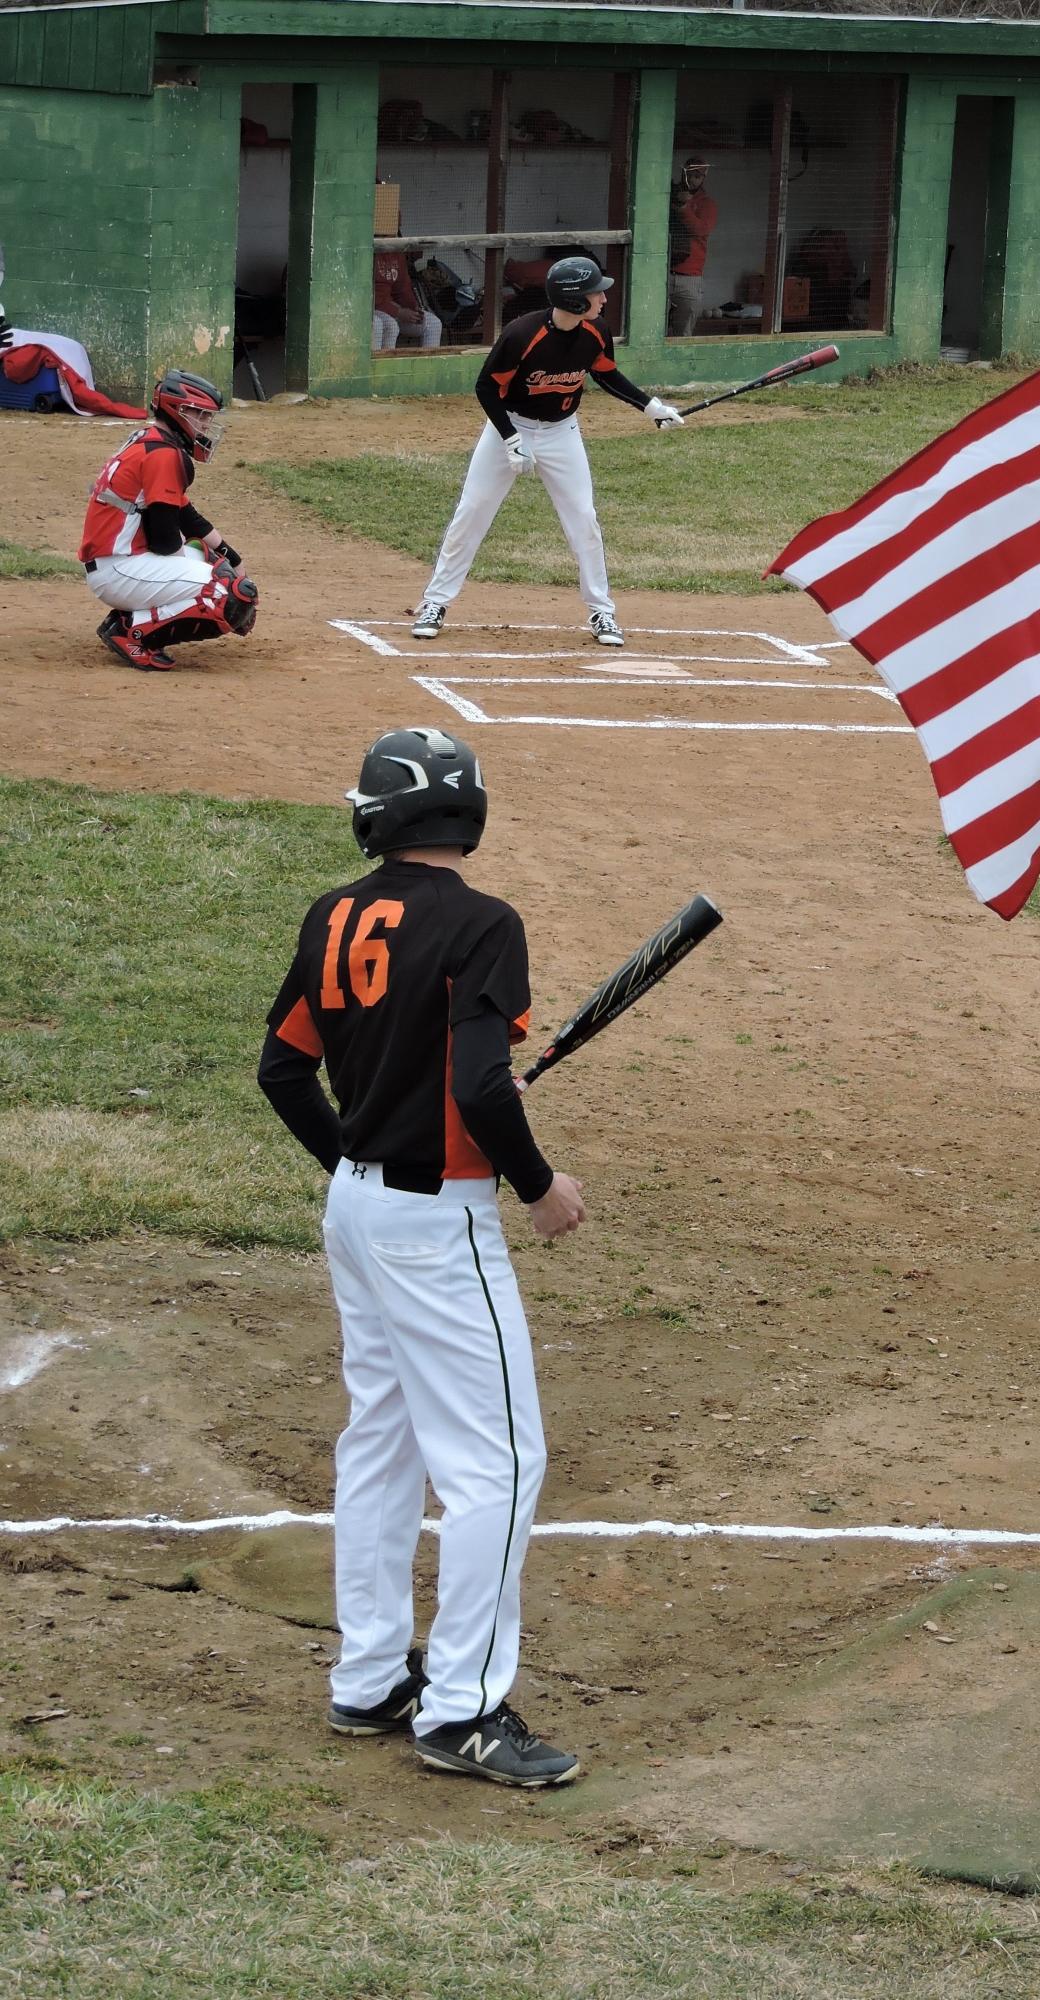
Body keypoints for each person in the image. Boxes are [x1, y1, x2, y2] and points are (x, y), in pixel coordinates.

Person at [258, 725, 587, 1788]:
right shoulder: (484, 924)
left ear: (379, 815)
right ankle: (464, 1708)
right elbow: (484, 1089)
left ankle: (366, 1678)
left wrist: (355, 1159)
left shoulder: (333, 912)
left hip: (356, 1213)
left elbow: (283, 1071)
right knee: (499, 1463)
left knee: (383, 1443)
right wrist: (540, 1187)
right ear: (468, 812)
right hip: (439, 1228)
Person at [410, 255, 684, 649]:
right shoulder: (522, 334)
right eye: (596, 294)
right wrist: (509, 438)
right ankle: (435, 603)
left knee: (584, 520)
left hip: (561, 433)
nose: (604, 300)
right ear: (575, 300)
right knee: (472, 512)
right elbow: (487, 387)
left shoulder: (596, 331)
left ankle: (601, 610)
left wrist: (649, 406)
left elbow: (605, 372)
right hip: (510, 426)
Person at [77, 368, 258, 672]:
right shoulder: (163, 454)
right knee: (227, 594)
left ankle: (129, 619)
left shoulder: (152, 441)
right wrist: (224, 587)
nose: (206, 425)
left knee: (219, 565)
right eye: (202, 416)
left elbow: (187, 517)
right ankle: (131, 633)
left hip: (119, 563)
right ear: (181, 411)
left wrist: (234, 560)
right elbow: (165, 541)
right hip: (119, 568)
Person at [668, 157, 718, 336]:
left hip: (689, 276)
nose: (694, 178)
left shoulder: (707, 204)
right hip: (663, 271)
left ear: (703, 178)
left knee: (684, 332)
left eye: (699, 175)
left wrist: (684, 207)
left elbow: (701, 229)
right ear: (684, 173)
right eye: (691, 174)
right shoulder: (668, 196)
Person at [373, 245, 442, 350]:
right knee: (390, 326)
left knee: (433, 323)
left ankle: (428, 366)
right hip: (371, 308)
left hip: (391, 307)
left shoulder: (396, 251)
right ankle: (383, 366)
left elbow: (402, 289)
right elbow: (369, 296)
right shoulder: (368, 249)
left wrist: (412, 307)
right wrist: (398, 312)